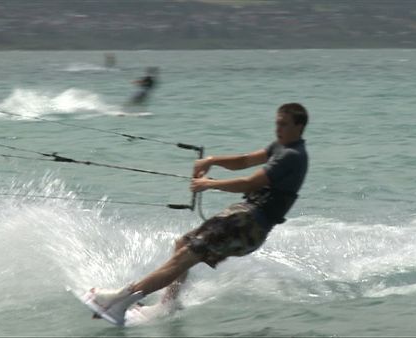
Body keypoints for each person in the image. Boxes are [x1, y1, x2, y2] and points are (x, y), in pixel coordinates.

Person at [83, 103, 309, 326]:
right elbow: (245, 161)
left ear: (299, 127)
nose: (277, 129)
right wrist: (212, 160)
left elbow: (248, 183)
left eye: (283, 125)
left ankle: (120, 301)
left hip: (248, 225)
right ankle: (167, 305)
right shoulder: (280, 146)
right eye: (277, 123)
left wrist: (209, 184)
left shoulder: (292, 155)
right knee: (182, 244)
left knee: (182, 259)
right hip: (242, 219)